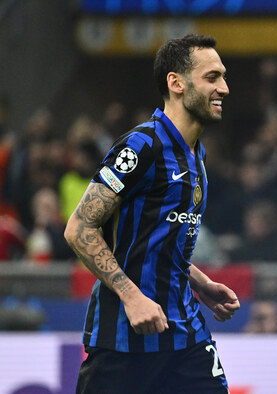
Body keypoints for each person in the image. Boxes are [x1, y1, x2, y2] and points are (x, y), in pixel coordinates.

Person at [64, 34, 240, 394]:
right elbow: (79, 227)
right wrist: (132, 297)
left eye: (222, 77)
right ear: (176, 83)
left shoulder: (197, 156)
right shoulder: (141, 145)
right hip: (125, 339)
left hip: (187, 336)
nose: (223, 87)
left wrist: (200, 283)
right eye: (211, 77)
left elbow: (152, 238)